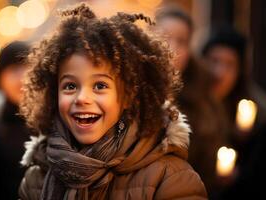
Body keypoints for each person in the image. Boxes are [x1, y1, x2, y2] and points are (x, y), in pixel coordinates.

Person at [18, 3, 207, 200]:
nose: (82, 98)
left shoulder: (169, 178)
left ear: (127, 96)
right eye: (70, 86)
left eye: (100, 86)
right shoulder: (37, 177)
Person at [155, 7, 228, 196]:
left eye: (182, 41)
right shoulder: (127, 92)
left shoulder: (202, 103)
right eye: (164, 37)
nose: (172, 48)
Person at [202, 27, 266, 199]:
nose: (219, 72)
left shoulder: (256, 113)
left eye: (229, 64)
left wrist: (243, 142)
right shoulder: (189, 105)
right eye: (214, 61)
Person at [0, 41, 31, 200]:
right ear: (0, 79)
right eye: (13, 70)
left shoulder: (53, 119)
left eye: (27, 67)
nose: (21, 77)